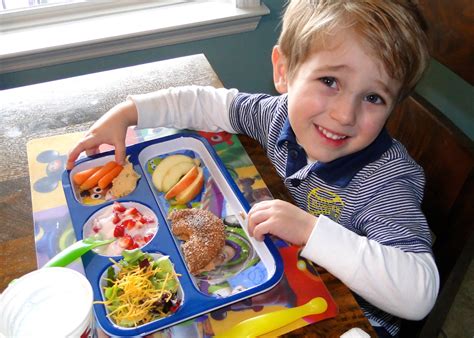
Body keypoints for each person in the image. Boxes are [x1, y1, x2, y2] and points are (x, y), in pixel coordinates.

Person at [67, 1, 439, 336]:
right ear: (284, 71)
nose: (344, 115)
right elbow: (206, 103)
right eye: (329, 81)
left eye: (373, 97)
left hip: (353, 315)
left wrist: (309, 231)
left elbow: (418, 293)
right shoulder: (278, 116)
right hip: (279, 271)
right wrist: (129, 112)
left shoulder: (386, 181)